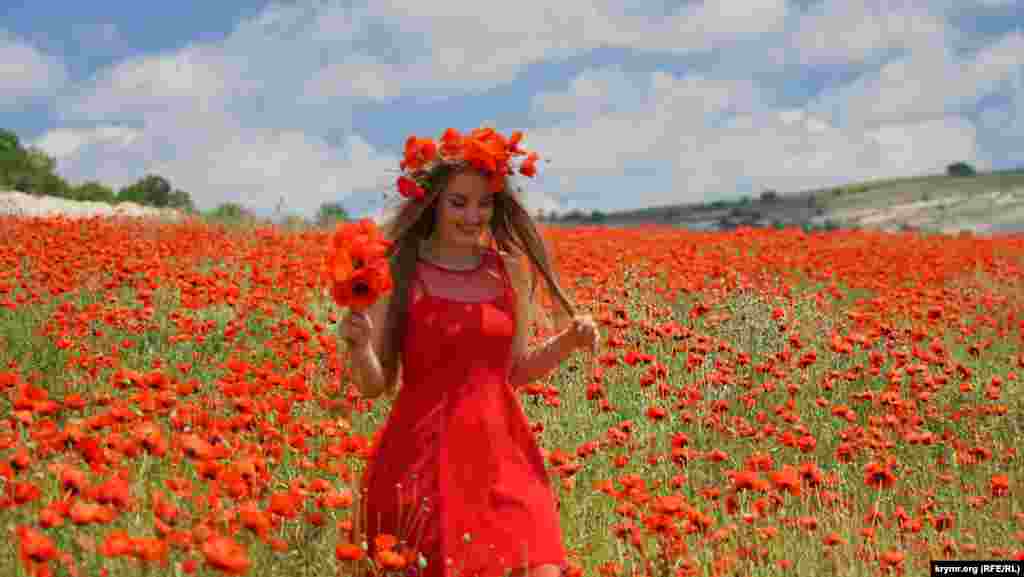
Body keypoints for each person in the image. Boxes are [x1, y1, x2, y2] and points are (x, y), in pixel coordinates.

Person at [338, 127, 599, 577]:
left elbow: (514, 372)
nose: (473, 215)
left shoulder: (509, 271)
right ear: (433, 203)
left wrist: (568, 342)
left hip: (503, 456)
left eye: (484, 203)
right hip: (422, 462)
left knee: (539, 566)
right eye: (458, 202)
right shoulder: (399, 271)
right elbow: (374, 385)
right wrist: (359, 347)